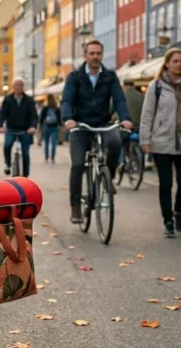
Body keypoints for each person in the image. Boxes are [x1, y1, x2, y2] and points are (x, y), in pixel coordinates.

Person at [61, 39, 132, 224]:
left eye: (98, 53)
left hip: (102, 122)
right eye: (91, 53)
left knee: (116, 142)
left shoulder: (110, 76)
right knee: (77, 165)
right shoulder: (75, 77)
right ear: (85, 56)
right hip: (80, 125)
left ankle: (108, 177)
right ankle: (75, 207)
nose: (95, 57)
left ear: (102, 55)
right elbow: (67, 99)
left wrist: (125, 118)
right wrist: (68, 118)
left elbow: (119, 99)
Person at [139, 48, 181, 238]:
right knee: (165, 184)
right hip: (161, 141)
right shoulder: (156, 86)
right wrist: (145, 140)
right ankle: (168, 221)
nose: (179, 64)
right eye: (175, 61)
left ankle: (178, 211)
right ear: (167, 64)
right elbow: (147, 115)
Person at [0, 77, 37, 177]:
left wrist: (33, 126)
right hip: (11, 128)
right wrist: (0, 126)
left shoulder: (29, 100)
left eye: (20, 85)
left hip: (25, 130)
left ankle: (25, 175)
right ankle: (7, 164)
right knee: (7, 145)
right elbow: (2, 114)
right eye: (16, 85)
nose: (18, 87)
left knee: (25, 153)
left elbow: (33, 115)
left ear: (23, 87)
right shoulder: (8, 99)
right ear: (13, 87)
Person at [39, 94, 62, 164]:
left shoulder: (45, 107)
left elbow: (41, 118)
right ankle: (52, 157)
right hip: (54, 127)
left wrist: (40, 126)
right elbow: (59, 118)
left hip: (46, 126)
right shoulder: (57, 108)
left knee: (46, 143)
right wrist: (60, 125)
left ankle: (46, 157)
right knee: (54, 143)